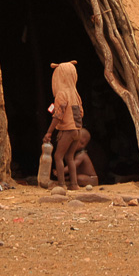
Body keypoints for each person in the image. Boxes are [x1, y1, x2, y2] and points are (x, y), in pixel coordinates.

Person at [43, 61, 84, 189]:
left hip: (67, 130)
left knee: (58, 156)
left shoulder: (62, 94)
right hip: (78, 130)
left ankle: (61, 184)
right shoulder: (75, 94)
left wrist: (49, 132)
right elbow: (81, 113)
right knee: (69, 157)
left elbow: (58, 116)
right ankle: (74, 184)